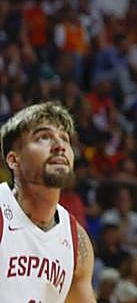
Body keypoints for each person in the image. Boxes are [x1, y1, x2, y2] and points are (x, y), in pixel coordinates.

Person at [0, 101, 96, 302]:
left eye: (65, 139)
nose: (60, 146)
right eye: (44, 137)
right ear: (13, 160)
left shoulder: (77, 241)